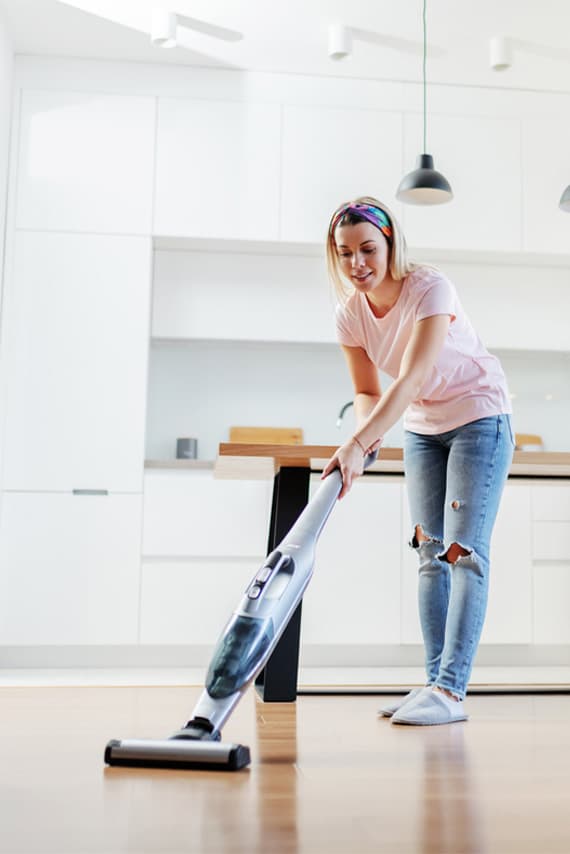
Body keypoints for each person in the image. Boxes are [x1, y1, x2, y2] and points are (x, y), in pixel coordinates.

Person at [322, 196, 514, 726]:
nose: (357, 263)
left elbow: (409, 376)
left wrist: (361, 444)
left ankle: (451, 692)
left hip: (479, 416)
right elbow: (366, 391)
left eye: (367, 249)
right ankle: (433, 684)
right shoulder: (349, 317)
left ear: (390, 246)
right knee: (430, 552)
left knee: (463, 552)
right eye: (345, 253)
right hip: (424, 429)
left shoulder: (430, 288)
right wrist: (364, 438)